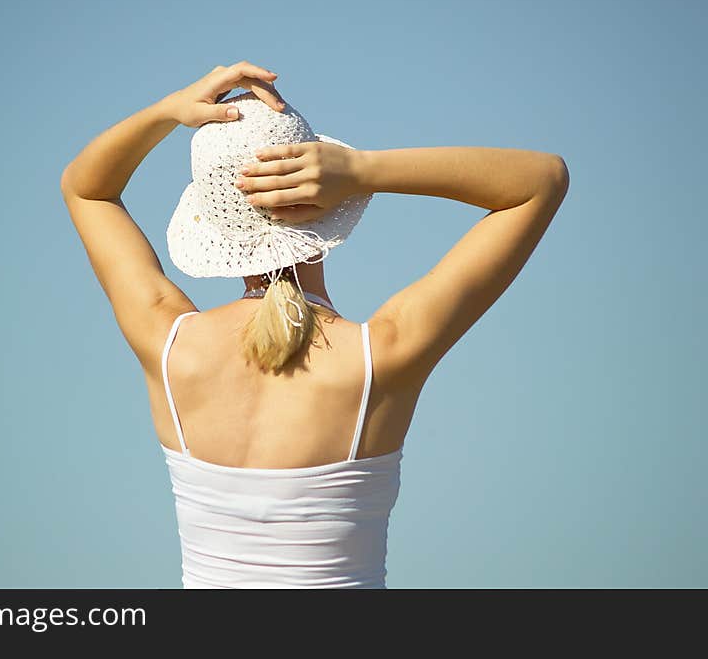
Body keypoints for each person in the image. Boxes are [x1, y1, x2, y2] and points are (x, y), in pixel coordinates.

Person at [60, 61, 569, 588]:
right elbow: (541, 180)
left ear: (213, 223)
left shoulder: (169, 346)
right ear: (329, 202)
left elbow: (87, 189)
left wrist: (169, 110)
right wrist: (365, 171)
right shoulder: (382, 355)